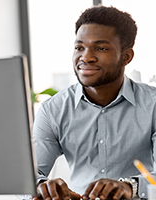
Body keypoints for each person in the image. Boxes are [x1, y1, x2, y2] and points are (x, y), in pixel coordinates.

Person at [33, 5, 156, 200]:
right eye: (79, 47)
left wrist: (129, 187)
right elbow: (29, 174)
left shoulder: (153, 105)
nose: (86, 57)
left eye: (101, 48)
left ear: (126, 57)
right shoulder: (53, 110)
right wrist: (41, 187)